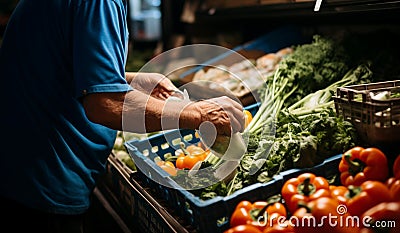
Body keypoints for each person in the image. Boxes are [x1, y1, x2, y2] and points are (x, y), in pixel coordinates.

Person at [0, 0, 245, 232]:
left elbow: (65, 64)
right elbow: (104, 105)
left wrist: (129, 81)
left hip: (21, 171)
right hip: (42, 184)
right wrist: (199, 113)